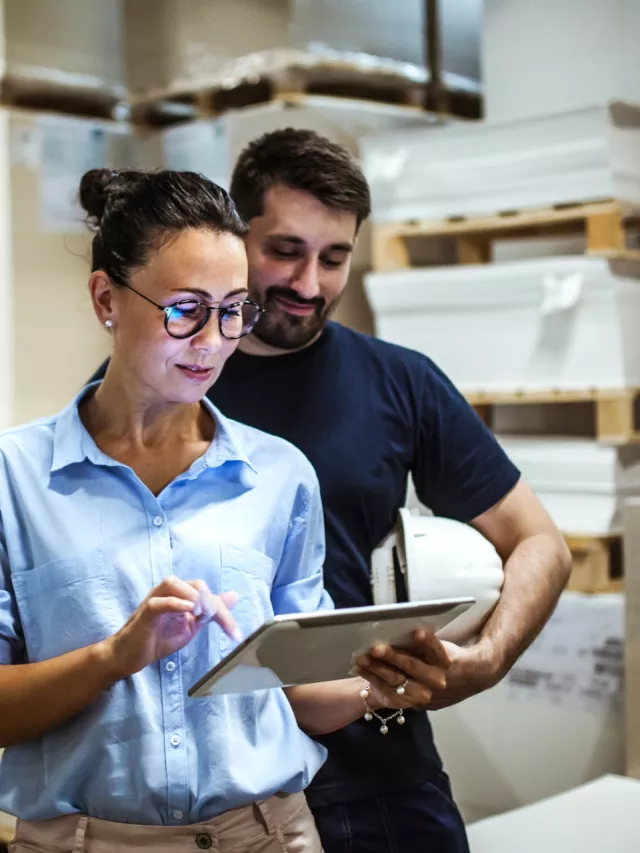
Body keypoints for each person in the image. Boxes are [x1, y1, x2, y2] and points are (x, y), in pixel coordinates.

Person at [89, 133, 573, 853]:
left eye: (334, 257)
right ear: (234, 234)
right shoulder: (158, 386)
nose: (309, 283)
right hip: (227, 801)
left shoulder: (400, 382)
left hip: (381, 773)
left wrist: (487, 658)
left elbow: (541, 541)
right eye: (284, 250)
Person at [0, 167, 452, 853]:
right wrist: (113, 656)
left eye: (234, 308)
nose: (214, 340)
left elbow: (293, 691)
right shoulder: (16, 478)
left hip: (266, 835)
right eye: (185, 308)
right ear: (106, 299)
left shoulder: (279, 475)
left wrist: (377, 684)